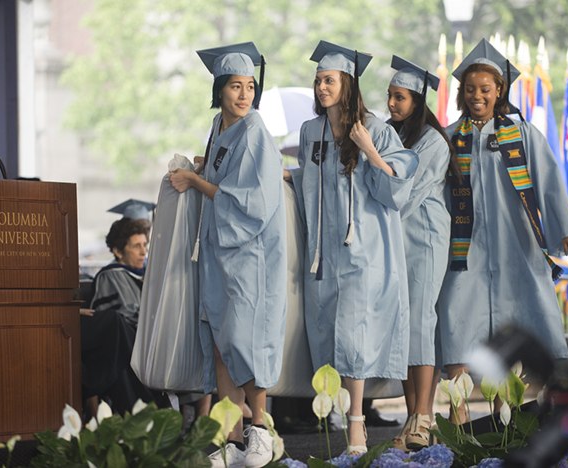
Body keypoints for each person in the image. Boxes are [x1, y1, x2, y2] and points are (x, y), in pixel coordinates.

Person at [437, 39, 568, 423]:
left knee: (524, 318)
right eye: (470, 90)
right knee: (455, 317)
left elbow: (550, 183)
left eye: (485, 89)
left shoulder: (522, 133)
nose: (477, 96)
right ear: (461, 93)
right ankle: (458, 412)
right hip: (464, 247)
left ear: (499, 91)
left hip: (515, 241)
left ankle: (516, 410)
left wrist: (567, 231)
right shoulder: (450, 137)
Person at [289, 40, 418, 455]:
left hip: (365, 252)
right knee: (328, 335)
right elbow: (307, 181)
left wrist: (370, 151)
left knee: (355, 336)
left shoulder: (375, 128)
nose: (322, 87)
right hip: (324, 254)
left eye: (329, 80)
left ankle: (358, 427)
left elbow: (395, 188)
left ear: (347, 83)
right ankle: (339, 419)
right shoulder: (311, 132)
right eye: (318, 81)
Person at [169, 42, 287, 468]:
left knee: (246, 341)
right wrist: (202, 169)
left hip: (250, 255)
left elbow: (250, 202)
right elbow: (225, 176)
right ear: (219, 90)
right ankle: (229, 437)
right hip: (221, 253)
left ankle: (260, 430)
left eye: (250, 86)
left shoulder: (254, 130)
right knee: (221, 343)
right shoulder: (221, 126)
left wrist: (195, 182)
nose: (244, 95)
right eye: (235, 86)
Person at [385, 56, 458, 450]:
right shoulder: (392, 135)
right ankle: (411, 417)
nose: (393, 104)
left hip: (425, 234)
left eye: (400, 97)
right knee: (401, 322)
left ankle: (425, 415)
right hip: (398, 234)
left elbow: (407, 194)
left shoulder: (432, 139)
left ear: (417, 100)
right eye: (390, 96)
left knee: (420, 321)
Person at [80, 206, 169, 416]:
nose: (143, 251)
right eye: (136, 246)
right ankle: (149, 413)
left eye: (145, 245)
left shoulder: (149, 275)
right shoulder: (109, 276)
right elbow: (117, 315)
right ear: (119, 251)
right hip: (121, 346)